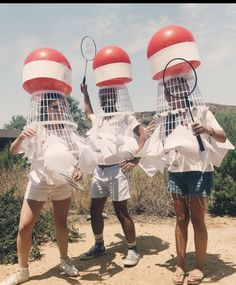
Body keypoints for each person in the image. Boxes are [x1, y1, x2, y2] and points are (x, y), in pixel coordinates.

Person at [150, 77, 227, 285]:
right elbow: (157, 144)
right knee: (181, 219)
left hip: (199, 172)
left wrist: (206, 129)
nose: (170, 94)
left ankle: (199, 266)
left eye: (175, 89)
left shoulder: (201, 111)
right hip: (176, 172)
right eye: (167, 91)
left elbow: (222, 135)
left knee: (197, 219)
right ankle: (180, 264)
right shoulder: (166, 118)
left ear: (186, 90)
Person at [0, 97, 82, 285]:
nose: (59, 109)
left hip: (62, 183)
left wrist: (78, 170)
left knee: (61, 223)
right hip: (39, 183)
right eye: (54, 107)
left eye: (61, 106)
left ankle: (64, 261)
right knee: (24, 227)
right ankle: (22, 271)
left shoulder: (68, 131)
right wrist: (21, 137)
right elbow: (12, 152)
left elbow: (77, 158)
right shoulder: (36, 128)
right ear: (46, 109)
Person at [79, 83, 146, 267]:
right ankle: (99, 245)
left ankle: (132, 249)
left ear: (115, 98)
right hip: (99, 170)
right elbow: (87, 113)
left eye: (107, 96)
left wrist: (136, 159)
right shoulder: (99, 119)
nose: (104, 99)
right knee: (94, 210)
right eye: (101, 97)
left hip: (118, 169)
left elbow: (143, 134)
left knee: (121, 211)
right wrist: (85, 93)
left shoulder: (125, 116)